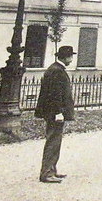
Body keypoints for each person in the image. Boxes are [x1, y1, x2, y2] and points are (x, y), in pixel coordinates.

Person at [34, 45, 76, 183]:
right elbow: (55, 95)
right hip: (55, 113)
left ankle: (52, 170)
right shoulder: (56, 71)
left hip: (54, 112)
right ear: (66, 57)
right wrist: (58, 112)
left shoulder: (56, 69)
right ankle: (46, 173)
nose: (72, 59)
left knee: (55, 141)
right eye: (71, 56)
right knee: (53, 141)